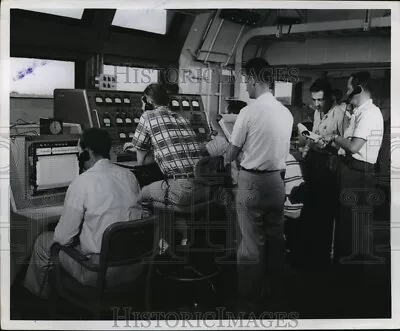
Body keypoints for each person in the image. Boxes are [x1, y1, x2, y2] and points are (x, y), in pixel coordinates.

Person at [24, 128, 143, 298]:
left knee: (44, 241)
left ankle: (36, 303)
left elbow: (63, 239)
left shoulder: (81, 183)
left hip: (98, 273)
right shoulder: (129, 176)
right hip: (135, 268)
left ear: (86, 153)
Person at [224, 57, 293, 313]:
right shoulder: (286, 113)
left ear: (253, 79)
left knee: (251, 244)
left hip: (252, 183)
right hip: (276, 183)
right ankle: (276, 295)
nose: (246, 86)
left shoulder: (248, 112)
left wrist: (228, 154)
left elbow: (231, 154)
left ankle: (249, 302)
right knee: (276, 240)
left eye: (245, 81)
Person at [124, 83, 207, 249]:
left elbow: (141, 162)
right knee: (164, 196)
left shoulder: (147, 116)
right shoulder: (182, 118)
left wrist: (150, 151)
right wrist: (160, 150)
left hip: (182, 190)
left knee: (139, 197)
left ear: (147, 102)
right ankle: (181, 239)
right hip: (204, 187)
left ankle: (149, 247)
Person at [322, 72, 384, 284]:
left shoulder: (370, 114)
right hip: (349, 170)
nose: (347, 93)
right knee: (346, 226)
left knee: (353, 227)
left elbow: (355, 146)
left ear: (358, 89)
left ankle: (353, 280)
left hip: (359, 174)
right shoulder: (359, 112)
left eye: (349, 89)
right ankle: (345, 274)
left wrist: (334, 137)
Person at [300, 78, 348, 270]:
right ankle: (313, 254)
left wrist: (330, 143)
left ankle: (324, 260)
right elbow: (316, 133)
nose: (317, 104)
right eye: (314, 100)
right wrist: (308, 143)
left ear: (329, 97)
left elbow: (348, 145)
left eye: (320, 100)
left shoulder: (340, 114)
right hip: (315, 164)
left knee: (325, 213)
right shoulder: (319, 113)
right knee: (313, 212)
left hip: (330, 165)